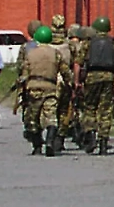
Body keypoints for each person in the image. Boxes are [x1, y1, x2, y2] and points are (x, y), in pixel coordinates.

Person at [18, 25, 73, 156]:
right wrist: (69, 83)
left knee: (33, 118)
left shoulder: (30, 54)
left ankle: (37, 147)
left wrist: (21, 86)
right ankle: (50, 142)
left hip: (34, 88)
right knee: (51, 117)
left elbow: (24, 73)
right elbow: (65, 71)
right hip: (51, 88)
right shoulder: (55, 54)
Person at [78, 16, 114, 155]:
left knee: (90, 107)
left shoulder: (88, 43)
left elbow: (79, 61)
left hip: (92, 77)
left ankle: (91, 135)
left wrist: (78, 80)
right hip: (109, 78)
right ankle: (103, 143)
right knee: (105, 110)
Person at [49, 15, 74, 153]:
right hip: (65, 81)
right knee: (64, 110)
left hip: (50, 81)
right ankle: (60, 137)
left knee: (51, 109)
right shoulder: (68, 45)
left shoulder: (46, 44)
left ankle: (50, 136)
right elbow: (76, 63)